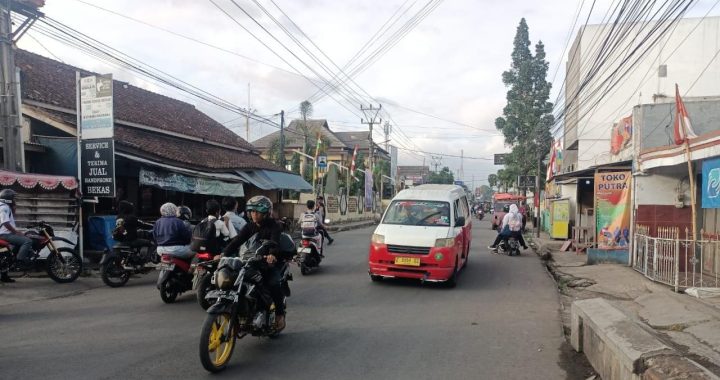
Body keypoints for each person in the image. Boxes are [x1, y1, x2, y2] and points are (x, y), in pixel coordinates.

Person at [222, 195, 291, 330]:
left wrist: (271, 254)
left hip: (269, 263)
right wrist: (224, 253)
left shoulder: (274, 226)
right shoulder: (249, 226)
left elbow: (275, 242)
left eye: (257, 211)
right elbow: (237, 241)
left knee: (273, 283)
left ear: (265, 213)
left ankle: (279, 314)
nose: (254, 214)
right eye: (252, 211)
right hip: (250, 261)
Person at [0, 189, 31, 282]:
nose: (14, 200)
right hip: (4, 234)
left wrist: (13, 208)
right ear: (8, 199)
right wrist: (16, 232)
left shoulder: (5, 206)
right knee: (27, 241)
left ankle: (4, 276)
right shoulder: (4, 207)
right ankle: (20, 261)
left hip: (5, 233)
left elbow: (10, 217)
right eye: (13, 198)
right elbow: (5, 222)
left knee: (8, 254)